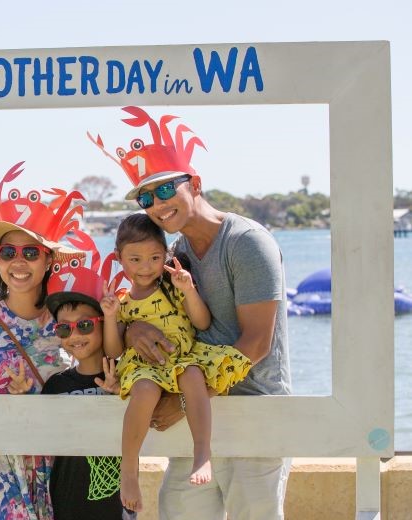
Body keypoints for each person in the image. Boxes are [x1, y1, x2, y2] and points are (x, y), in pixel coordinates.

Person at [90, 105, 292, 519]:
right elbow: (154, 316)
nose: (157, 203)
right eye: (147, 197)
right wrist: (132, 331)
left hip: (252, 414)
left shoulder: (247, 243)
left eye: (166, 189)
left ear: (195, 183)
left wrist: (179, 405)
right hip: (195, 414)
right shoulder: (173, 255)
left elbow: (256, 342)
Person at [0, 161, 84, 520]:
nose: (18, 262)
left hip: (60, 464)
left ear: (48, 259)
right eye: (8, 253)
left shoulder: (71, 323)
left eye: (30, 252)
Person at [101, 213, 252, 512]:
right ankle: (129, 470)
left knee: (194, 376)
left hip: (183, 357)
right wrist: (109, 317)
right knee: (144, 391)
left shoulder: (172, 286)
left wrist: (189, 290)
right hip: (146, 367)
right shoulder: (122, 300)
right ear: (119, 258)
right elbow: (113, 348)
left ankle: (202, 453)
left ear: (166, 254)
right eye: (135, 259)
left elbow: (202, 321)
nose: (146, 267)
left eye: (155, 257)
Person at [36, 243, 136, 520]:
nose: (74, 335)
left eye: (85, 324)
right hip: (68, 504)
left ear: (104, 321)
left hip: (118, 507)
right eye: (64, 328)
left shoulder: (129, 375)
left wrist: (120, 394)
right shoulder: (55, 386)